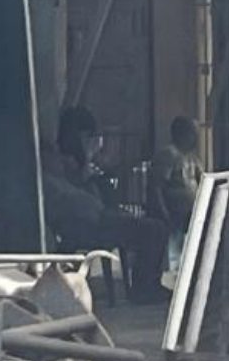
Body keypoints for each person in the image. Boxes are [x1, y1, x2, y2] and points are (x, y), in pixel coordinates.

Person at [42, 106, 170, 304]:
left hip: (98, 217)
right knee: (154, 229)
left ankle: (147, 284)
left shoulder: (67, 168)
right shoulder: (55, 175)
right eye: (87, 137)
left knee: (151, 226)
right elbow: (77, 203)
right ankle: (144, 288)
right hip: (91, 224)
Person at [148, 117, 204, 286]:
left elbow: (202, 179)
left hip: (191, 212)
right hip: (173, 213)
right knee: (174, 252)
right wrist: (163, 211)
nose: (196, 137)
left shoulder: (192, 158)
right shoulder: (168, 155)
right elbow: (157, 186)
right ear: (182, 133)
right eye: (192, 133)